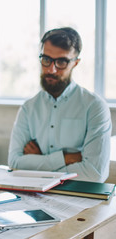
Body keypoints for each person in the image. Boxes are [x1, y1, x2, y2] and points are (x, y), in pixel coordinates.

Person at [8, 27, 111, 182]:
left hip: (80, 197)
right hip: (35, 195)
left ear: (75, 63)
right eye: (46, 59)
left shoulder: (95, 107)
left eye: (61, 61)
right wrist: (65, 158)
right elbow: (15, 162)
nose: (51, 69)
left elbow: (95, 173)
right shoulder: (28, 108)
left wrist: (39, 160)